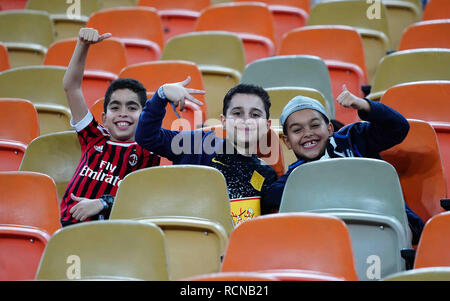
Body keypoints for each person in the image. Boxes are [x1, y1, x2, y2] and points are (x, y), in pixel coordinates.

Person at [264, 85, 425, 244]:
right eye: (297, 130)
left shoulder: (354, 139)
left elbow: (398, 127)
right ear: (287, 141)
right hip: (333, 235)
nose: (307, 133)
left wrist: (363, 105)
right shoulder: (297, 175)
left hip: (386, 220)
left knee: (399, 233)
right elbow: (271, 196)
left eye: (314, 125)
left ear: (329, 129)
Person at [135, 82, 278, 224]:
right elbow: (147, 136)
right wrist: (161, 95)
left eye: (255, 114)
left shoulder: (266, 174)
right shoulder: (196, 145)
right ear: (223, 121)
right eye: (237, 113)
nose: (246, 120)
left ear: (267, 126)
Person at [60, 28, 160, 227]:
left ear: (144, 117)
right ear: (104, 118)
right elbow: (71, 87)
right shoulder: (94, 136)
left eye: (132, 108)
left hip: (112, 234)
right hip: (67, 229)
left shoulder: (148, 152)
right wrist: (82, 45)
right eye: (115, 107)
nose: (123, 113)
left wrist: (103, 203)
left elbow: (139, 200)